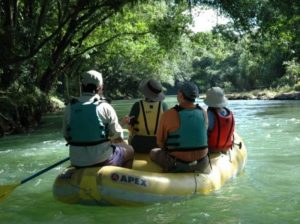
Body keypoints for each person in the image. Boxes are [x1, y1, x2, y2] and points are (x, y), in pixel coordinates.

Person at [62, 70, 134, 168]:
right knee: (130, 151)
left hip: (76, 160)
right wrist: (110, 140)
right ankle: (120, 179)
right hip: (102, 160)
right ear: (100, 87)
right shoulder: (105, 106)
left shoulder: (70, 107)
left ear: (82, 86)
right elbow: (118, 136)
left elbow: (66, 135)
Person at [150, 81, 210, 173]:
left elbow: (160, 142)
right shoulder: (203, 112)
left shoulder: (168, 114)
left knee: (153, 152)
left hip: (177, 164)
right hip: (202, 163)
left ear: (181, 95)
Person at [122, 79, 168, 153]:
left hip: (139, 145)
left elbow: (130, 126)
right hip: (158, 145)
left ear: (145, 92)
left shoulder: (137, 105)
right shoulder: (164, 106)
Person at [204, 87, 235, 153]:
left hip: (212, 148)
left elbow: (203, 131)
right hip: (226, 147)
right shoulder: (229, 113)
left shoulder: (209, 114)